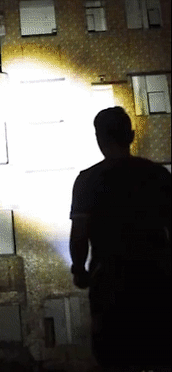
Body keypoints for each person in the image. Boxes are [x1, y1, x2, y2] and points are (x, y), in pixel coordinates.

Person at [69, 106, 171, 371]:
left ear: (99, 138)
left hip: (109, 283)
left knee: (115, 357)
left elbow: (79, 234)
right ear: (131, 135)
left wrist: (79, 270)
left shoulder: (87, 181)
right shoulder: (159, 176)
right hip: (155, 282)